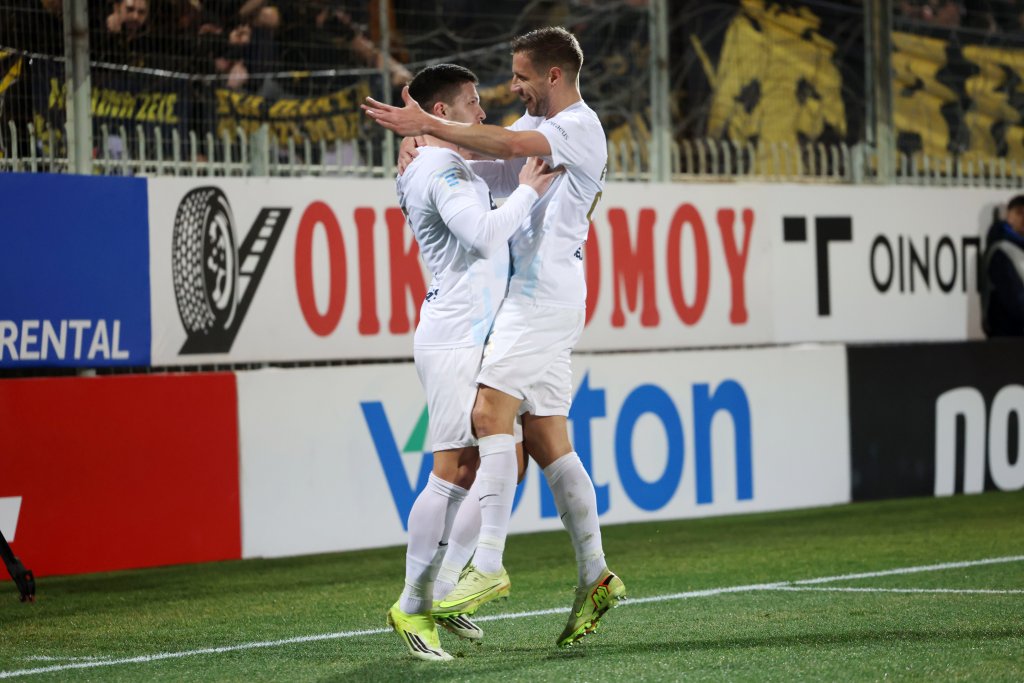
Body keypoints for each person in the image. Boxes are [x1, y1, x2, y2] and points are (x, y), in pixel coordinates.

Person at [363, 26, 626, 648]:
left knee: (487, 415)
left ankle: (485, 563)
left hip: (540, 297)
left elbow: (503, 144)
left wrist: (430, 130)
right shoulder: (537, 130)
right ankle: (595, 574)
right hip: (537, 298)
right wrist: (428, 145)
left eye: (521, 76)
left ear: (554, 75)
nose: (513, 87)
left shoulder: (579, 127)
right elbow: (490, 162)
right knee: (547, 439)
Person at [384, 63, 557, 662]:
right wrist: (529, 191)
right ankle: (413, 604)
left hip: (473, 333)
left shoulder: (440, 162)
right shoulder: (437, 168)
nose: (482, 112)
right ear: (443, 110)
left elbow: (495, 168)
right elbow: (484, 234)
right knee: (453, 472)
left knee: (504, 462)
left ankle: (445, 591)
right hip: (455, 336)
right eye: (472, 102)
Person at [982, 195, 1024, 337]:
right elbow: (1014, 301)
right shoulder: (1001, 251)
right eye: (1019, 212)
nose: (1023, 218)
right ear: (1008, 216)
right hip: (1006, 338)